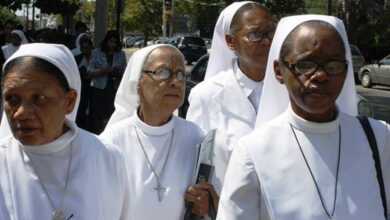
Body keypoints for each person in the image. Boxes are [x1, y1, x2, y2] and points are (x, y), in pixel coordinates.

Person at [217, 15, 390, 220]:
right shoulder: (253, 151)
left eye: (333, 65)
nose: (320, 76)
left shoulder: (380, 137)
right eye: (305, 65)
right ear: (279, 71)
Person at [0, 43, 130, 219]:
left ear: (69, 101)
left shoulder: (106, 157)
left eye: (39, 98)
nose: (21, 113)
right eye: (12, 99)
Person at [100, 44, 206, 219]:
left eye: (181, 74)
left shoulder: (196, 138)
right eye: (163, 72)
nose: (175, 81)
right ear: (138, 82)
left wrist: (202, 204)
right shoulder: (111, 142)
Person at [185, 1, 275, 200]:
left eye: (271, 33)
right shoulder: (207, 96)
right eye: (255, 34)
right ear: (230, 41)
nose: (267, 41)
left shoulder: (291, 91)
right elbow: (195, 165)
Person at [88, 30, 127, 133]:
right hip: (99, 87)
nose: (112, 45)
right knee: (98, 112)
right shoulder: (96, 52)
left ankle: (109, 132)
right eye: (111, 41)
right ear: (106, 41)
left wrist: (118, 72)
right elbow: (90, 70)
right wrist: (102, 71)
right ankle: (97, 132)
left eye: (115, 42)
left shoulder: (121, 54)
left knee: (111, 112)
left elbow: (125, 71)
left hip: (114, 87)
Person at [74, 34, 94, 130]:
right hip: (81, 89)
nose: (85, 49)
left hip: (95, 88)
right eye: (83, 47)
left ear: (91, 46)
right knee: (81, 111)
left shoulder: (97, 57)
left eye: (87, 46)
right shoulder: (76, 58)